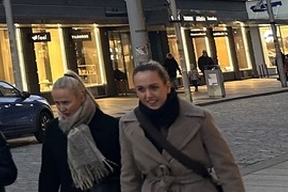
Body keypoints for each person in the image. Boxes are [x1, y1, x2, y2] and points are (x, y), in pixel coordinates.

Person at [119, 61, 245, 191]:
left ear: (167, 87)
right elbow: (129, 176)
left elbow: (225, 167)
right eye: (141, 89)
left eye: (154, 87)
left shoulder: (199, 118)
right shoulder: (129, 124)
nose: (148, 95)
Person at [39, 71, 119, 192]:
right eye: (57, 103)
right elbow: (49, 174)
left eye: (66, 102)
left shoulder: (109, 126)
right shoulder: (54, 129)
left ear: (82, 97)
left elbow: (124, 169)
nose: (61, 108)